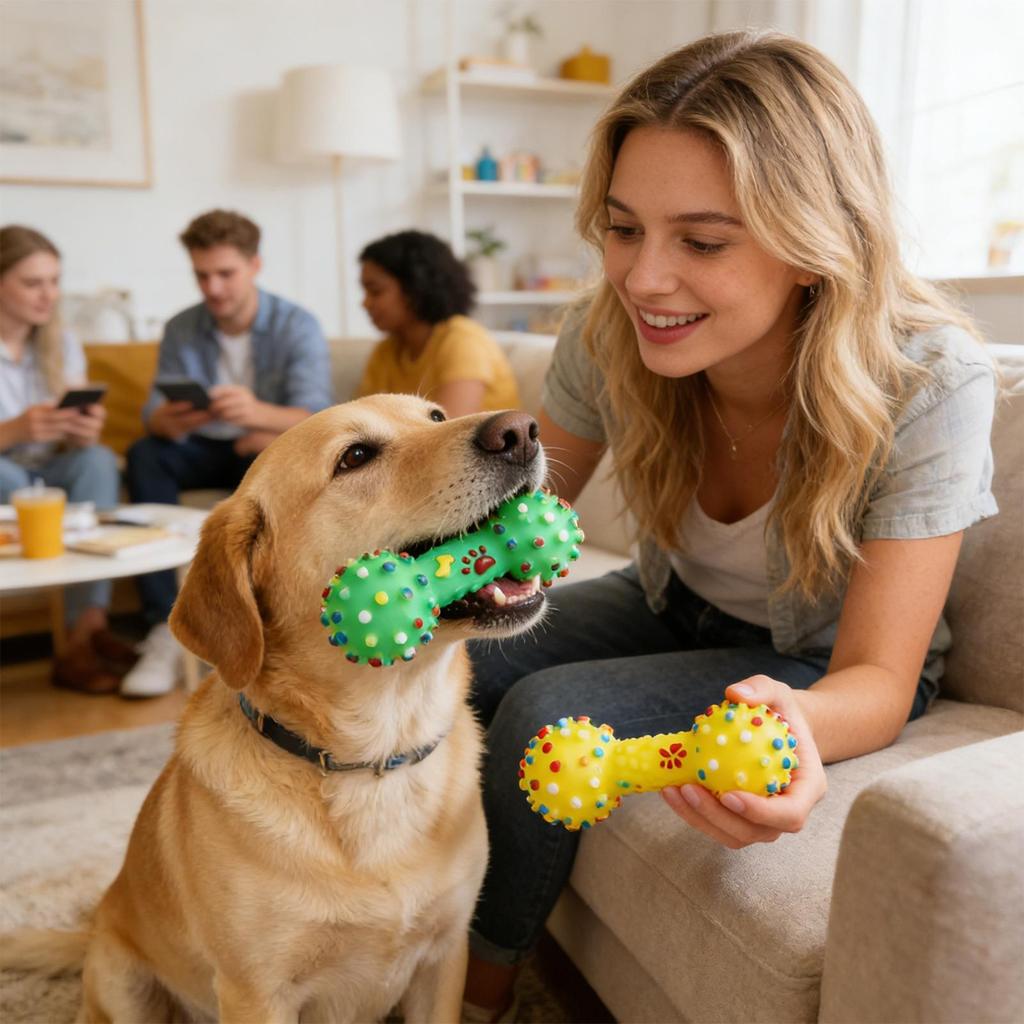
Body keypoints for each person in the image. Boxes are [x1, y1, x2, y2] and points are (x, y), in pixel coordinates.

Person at [461, 30, 998, 1021]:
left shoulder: (932, 381)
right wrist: (419, 579)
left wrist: (798, 729)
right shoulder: (603, 330)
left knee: (541, 715)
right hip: (672, 605)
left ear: (811, 242)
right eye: (623, 229)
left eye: (701, 242)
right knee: (444, 661)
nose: (642, 279)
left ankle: (468, 997)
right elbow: (527, 526)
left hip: (817, 660)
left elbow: (876, 680)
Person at [122, 209, 332, 698]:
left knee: (267, 461)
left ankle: (258, 621)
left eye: (225, 274)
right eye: (201, 275)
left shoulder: (296, 325)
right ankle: (163, 625)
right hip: (200, 443)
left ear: (255, 265)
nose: (212, 288)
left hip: (261, 446)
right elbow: (153, 415)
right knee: (145, 453)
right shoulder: (181, 328)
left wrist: (257, 413)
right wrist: (167, 420)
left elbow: (319, 414)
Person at [0, 225, 134, 694]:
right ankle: (83, 645)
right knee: (8, 472)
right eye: (33, 283)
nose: (48, 295)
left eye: (54, 281)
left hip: (52, 467)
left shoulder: (60, 341)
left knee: (96, 460)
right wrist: (12, 431)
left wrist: (82, 430)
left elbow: (77, 435)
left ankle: (86, 631)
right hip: (7, 471)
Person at [357, 230, 520, 416]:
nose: (365, 303)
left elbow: (450, 433)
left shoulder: (463, 339)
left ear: (415, 288)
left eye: (375, 291)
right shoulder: (385, 351)